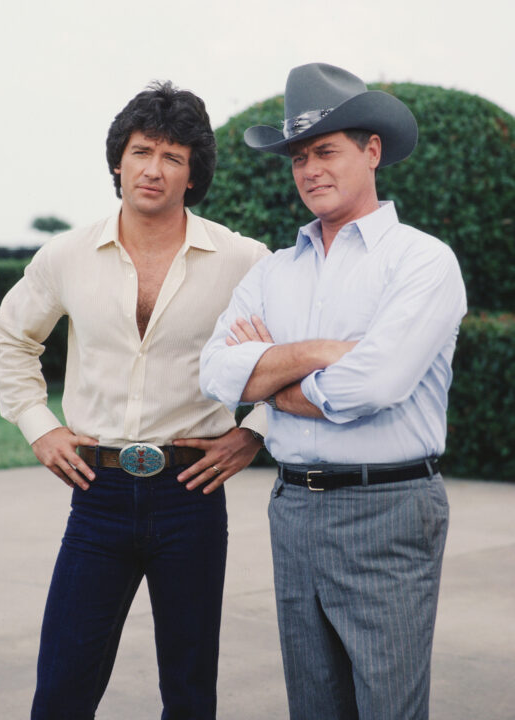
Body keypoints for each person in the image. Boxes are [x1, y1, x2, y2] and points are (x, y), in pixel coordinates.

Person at [0, 80, 269, 720]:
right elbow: (8, 340)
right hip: (99, 493)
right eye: (142, 151)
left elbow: (293, 355)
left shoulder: (242, 259)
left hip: (192, 492)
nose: (154, 170)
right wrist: (39, 427)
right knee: (61, 689)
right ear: (119, 160)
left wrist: (257, 432)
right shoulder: (67, 255)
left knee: (191, 693)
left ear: (193, 175)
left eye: (174, 157)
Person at [200, 62, 467, 720]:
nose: (309, 169)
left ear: (370, 151)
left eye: (325, 150)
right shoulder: (273, 273)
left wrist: (268, 375)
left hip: (389, 508)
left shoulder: (421, 260)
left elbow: (374, 383)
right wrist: (321, 353)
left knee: (386, 705)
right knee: (313, 705)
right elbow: (213, 370)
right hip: (293, 507)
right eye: (298, 157)